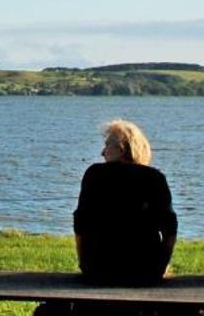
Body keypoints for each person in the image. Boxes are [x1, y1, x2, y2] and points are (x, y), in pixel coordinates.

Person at [71, 119, 177, 284]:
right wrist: (160, 267)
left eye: (107, 146)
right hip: (144, 270)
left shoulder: (94, 175)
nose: (102, 152)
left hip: (99, 269)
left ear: (120, 149)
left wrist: (85, 264)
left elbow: (80, 223)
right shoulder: (154, 178)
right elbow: (170, 229)